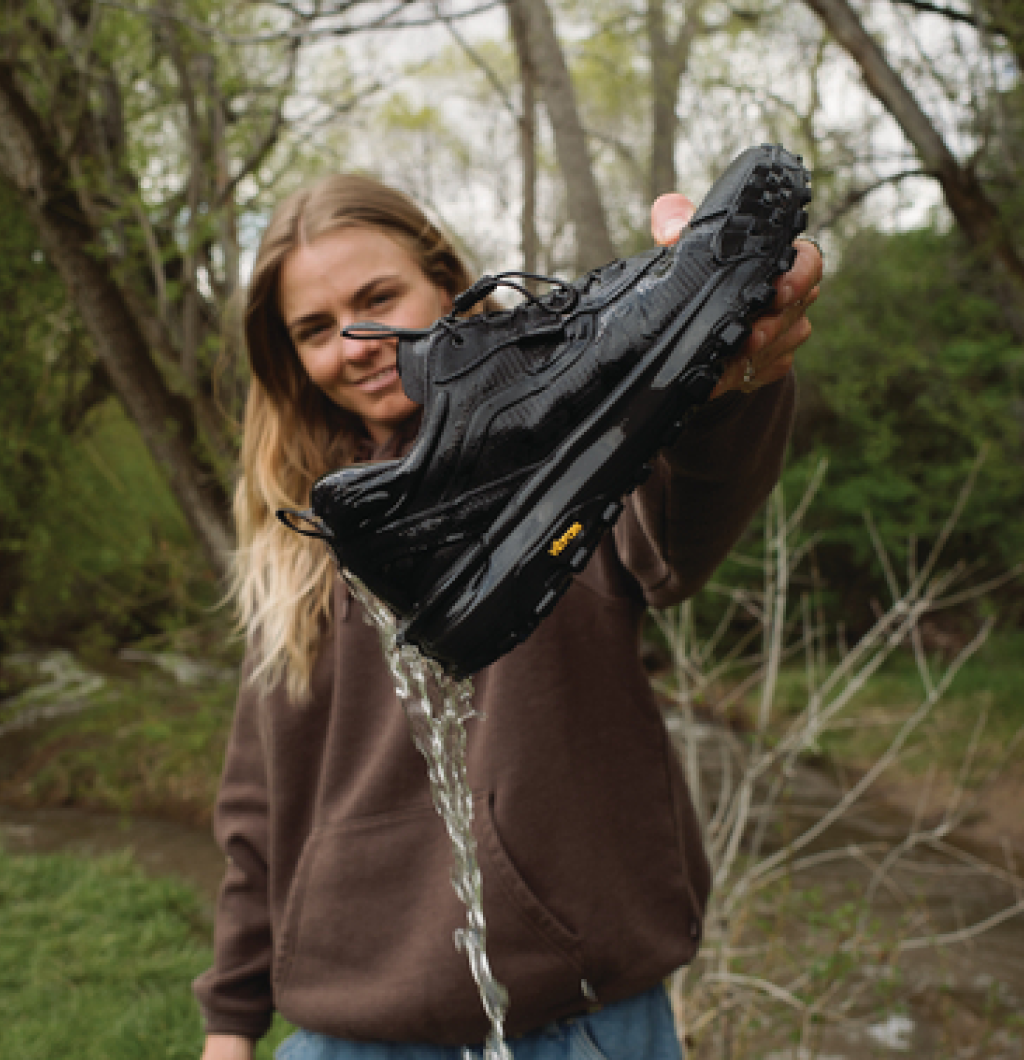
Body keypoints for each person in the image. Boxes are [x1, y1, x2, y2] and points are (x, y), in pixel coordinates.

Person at [194, 172, 824, 1060]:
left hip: (575, 1017)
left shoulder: (575, 452)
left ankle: (636, 369)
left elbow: (675, 540)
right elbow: (260, 799)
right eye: (316, 330)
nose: (357, 344)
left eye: (378, 299)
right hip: (347, 1024)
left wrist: (727, 391)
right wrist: (229, 1021)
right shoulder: (293, 534)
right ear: (290, 358)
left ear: (444, 281)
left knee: (622, 415)